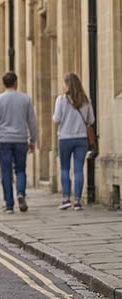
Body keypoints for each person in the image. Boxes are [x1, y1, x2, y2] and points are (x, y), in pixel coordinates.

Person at [0, 71, 37, 214]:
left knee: (6, 172)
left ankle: (9, 205)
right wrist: (33, 140)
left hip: (4, 140)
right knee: (20, 170)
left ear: (4, 84)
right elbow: (32, 122)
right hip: (21, 140)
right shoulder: (25, 99)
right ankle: (20, 193)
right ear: (16, 83)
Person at [52, 72, 95, 211]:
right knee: (78, 169)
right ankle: (77, 201)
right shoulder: (85, 100)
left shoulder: (61, 99)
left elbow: (56, 119)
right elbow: (91, 120)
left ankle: (65, 199)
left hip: (65, 138)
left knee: (64, 168)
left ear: (67, 85)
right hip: (81, 139)